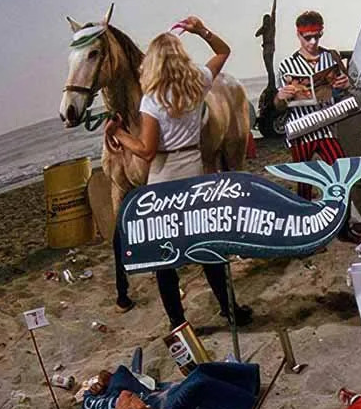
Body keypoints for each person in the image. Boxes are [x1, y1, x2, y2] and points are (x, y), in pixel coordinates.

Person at [104, 18, 251, 330]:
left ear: (152, 63)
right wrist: (201, 31)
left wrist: (119, 134)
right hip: (196, 172)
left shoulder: (151, 100)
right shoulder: (198, 82)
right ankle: (229, 309)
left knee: (165, 261)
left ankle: (178, 323)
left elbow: (145, 150)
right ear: (181, 57)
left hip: (164, 180)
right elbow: (224, 51)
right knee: (208, 247)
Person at [272, 10, 353, 201]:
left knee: (341, 175)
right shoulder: (287, 65)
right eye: (308, 38)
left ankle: (341, 224)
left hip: (327, 127)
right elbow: (278, 107)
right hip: (301, 129)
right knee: (304, 183)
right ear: (298, 34)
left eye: (317, 36)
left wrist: (346, 84)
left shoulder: (332, 57)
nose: (313, 43)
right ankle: (306, 223)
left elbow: (347, 91)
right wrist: (281, 96)